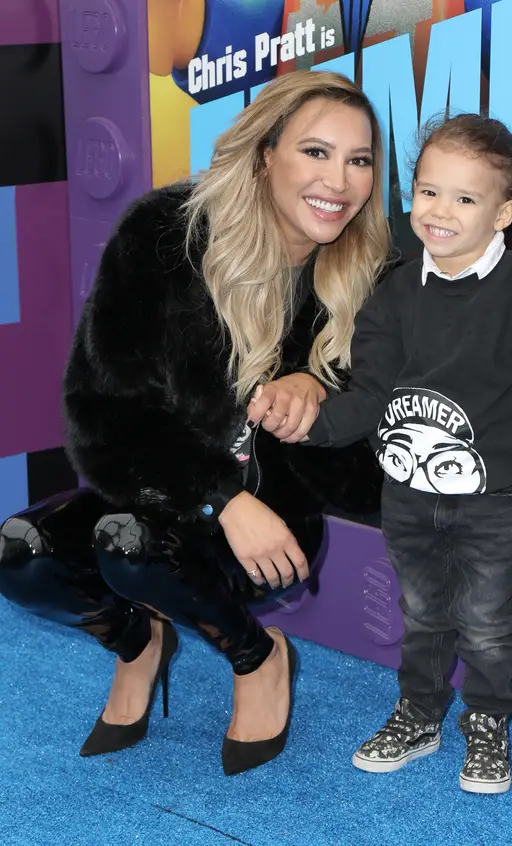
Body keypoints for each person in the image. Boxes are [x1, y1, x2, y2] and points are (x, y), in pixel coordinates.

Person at [0, 70, 390, 774]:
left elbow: (375, 479)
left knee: (131, 547)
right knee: (22, 553)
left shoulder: (373, 280)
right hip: (169, 492)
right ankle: (136, 641)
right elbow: (99, 416)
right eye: (316, 152)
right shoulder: (163, 236)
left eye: (359, 159)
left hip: (277, 524)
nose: (340, 180)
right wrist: (221, 496)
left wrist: (321, 392)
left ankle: (258, 657)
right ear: (266, 152)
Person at [256, 114, 512, 792]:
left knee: (488, 621)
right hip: (407, 498)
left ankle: (488, 720)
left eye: (465, 199)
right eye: (428, 191)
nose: (440, 211)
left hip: (497, 502)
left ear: (502, 213)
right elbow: (372, 393)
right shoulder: (396, 289)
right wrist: (311, 425)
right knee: (423, 615)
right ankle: (419, 713)